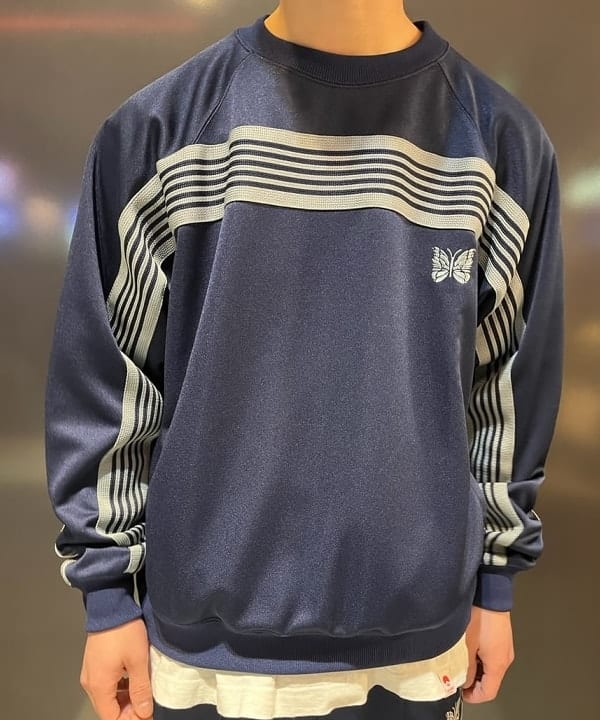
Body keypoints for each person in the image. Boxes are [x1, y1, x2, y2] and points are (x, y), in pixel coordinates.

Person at [44, 1, 564, 719]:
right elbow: (108, 383)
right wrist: (108, 597)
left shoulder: (501, 146)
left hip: (418, 648)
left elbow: (506, 389)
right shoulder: (160, 134)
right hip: (206, 659)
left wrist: (495, 582)